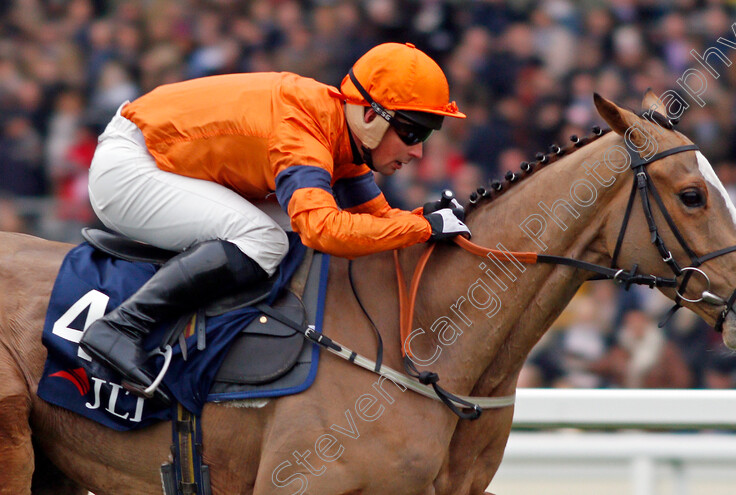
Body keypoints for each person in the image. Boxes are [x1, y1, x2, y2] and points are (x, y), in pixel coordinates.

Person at [79, 42, 470, 397]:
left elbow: (378, 220)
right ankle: (121, 327)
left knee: (281, 231)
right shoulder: (302, 135)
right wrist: (422, 228)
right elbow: (324, 231)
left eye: (427, 134)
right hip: (130, 168)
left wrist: (423, 221)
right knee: (265, 240)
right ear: (371, 115)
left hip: (159, 155)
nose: (418, 152)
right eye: (412, 132)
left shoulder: (340, 130)